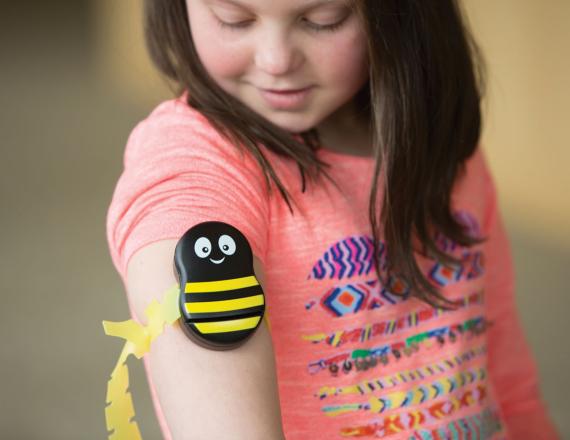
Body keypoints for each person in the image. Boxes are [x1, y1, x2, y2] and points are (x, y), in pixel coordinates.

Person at [105, 0, 560, 438]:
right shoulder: (191, 165)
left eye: (324, 19)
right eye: (234, 18)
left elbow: (506, 377)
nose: (276, 59)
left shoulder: (442, 150)